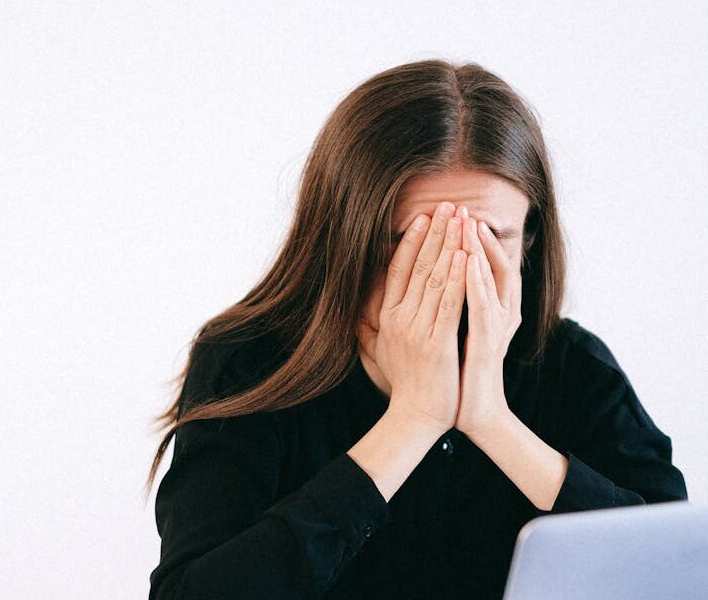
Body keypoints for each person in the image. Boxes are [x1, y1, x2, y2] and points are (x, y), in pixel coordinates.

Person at [144, 59, 689, 600]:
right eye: (413, 239)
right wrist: (412, 420)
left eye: (488, 238)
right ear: (343, 237)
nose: (450, 269)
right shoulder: (249, 361)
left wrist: (493, 423)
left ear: (527, 242)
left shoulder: (573, 366)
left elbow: (676, 572)